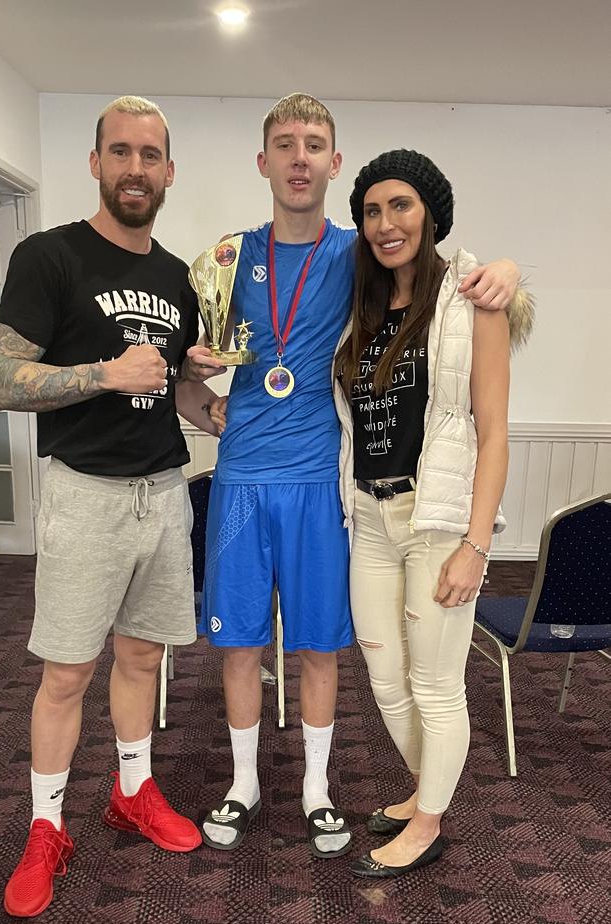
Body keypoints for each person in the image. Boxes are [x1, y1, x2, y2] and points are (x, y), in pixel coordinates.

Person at [198, 94, 521, 858]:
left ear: (332, 161)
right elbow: (198, 371)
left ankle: (318, 791)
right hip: (252, 479)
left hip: (323, 484)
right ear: (264, 161)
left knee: (323, 648)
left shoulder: (356, 254)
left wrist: (510, 273)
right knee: (245, 645)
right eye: (285, 143)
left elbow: (460, 282)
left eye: (315, 144)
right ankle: (245, 785)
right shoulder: (225, 259)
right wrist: (195, 392)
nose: (300, 156)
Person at [0, 95, 220, 917]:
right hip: (83, 494)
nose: (134, 169)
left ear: (168, 173)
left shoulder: (179, 277)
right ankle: (45, 827)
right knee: (66, 672)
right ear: (95, 163)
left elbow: (177, 392)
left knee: (142, 660)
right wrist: (102, 374)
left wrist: (221, 404)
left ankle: (132, 791)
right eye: (119, 152)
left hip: (164, 489)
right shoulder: (50, 257)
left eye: (149, 156)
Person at [333, 149, 530, 879]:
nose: (386, 223)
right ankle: (427, 792)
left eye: (401, 205)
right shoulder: (357, 309)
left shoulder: (472, 300)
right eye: (372, 210)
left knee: (436, 683)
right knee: (385, 678)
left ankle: (429, 822)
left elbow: (494, 431)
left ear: (431, 214)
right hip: (369, 515)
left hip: (438, 519)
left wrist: (476, 545)